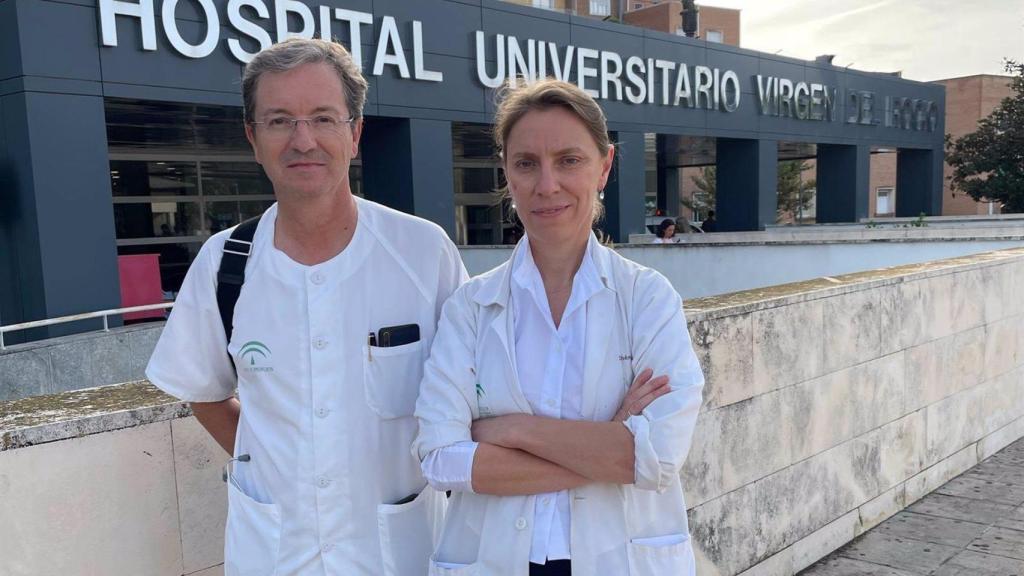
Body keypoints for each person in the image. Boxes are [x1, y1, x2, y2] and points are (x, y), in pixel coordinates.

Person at [146, 38, 467, 576]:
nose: (303, 140)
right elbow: (202, 391)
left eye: (323, 117)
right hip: (274, 552)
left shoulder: (422, 251)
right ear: (253, 138)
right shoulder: (226, 262)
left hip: (398, 551)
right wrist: (277, 468)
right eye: (278, 121)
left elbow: (473, 392)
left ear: (355, 133)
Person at [413, 79, 704, 576]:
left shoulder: (647, 299)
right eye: (526, 163)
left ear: (604, 166)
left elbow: (658, 458)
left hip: (619, 556)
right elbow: (440, 458)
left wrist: (511, 430)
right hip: (496, 558)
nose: (546, 185)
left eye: (569, 159)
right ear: (507, 171)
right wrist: (607, 443)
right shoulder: (471, 305)